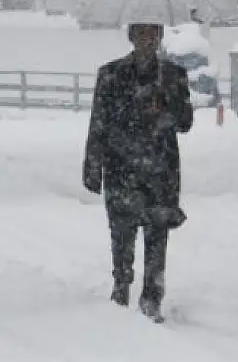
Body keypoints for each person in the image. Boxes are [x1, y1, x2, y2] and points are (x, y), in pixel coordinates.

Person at [83, 21, 194, 322]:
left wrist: (166, 105)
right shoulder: (111, 75)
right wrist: (93, 166)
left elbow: (185, 122)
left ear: (159, 38)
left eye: (153, 34)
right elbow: (99, 123)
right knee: (122, 232)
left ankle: (152, 296)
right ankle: (121, 285)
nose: (148, 40)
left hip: (160, 169)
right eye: (142, 34)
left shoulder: (173, 76)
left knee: (157, 233)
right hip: (121, 165)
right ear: (131, 37)